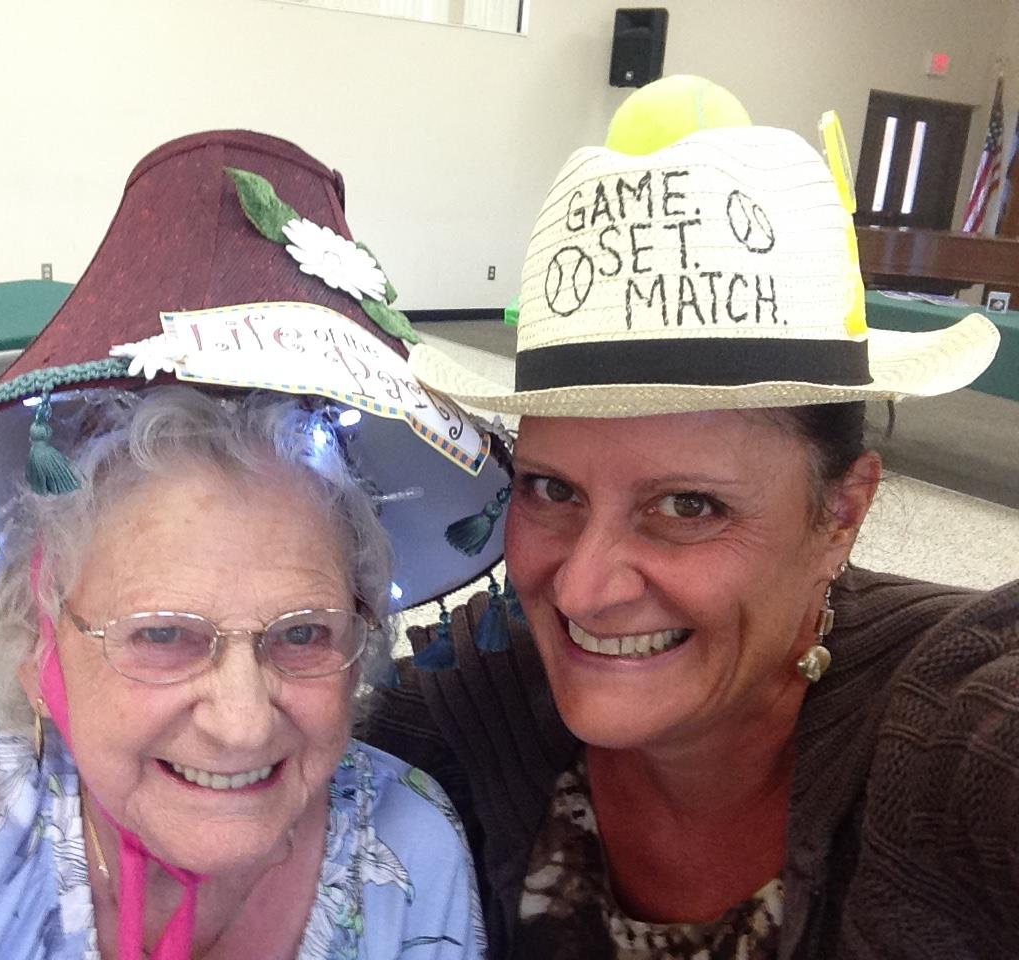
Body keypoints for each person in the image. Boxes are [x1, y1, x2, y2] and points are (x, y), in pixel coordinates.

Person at [0, 131, 505, 959]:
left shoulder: (411, 848)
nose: (243, 724)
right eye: (164, 634)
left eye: (304, 633)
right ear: (39, 647)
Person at [361, 77, 1016, 959]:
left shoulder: (956, 729)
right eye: (553, 490)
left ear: (842, 515)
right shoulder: (482, 690)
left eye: (687, 506)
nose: (584, 589)